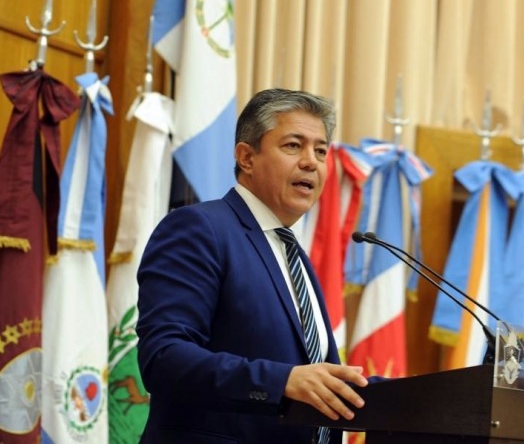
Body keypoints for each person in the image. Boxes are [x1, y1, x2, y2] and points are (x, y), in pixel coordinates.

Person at [136, 88, 369, 443]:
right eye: (294, 145)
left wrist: (417, 397)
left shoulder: (293, 255)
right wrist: (281, 381)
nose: (311, 162)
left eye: (321, 151)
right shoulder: (201, 229)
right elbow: (164, 358)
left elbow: (321, 382)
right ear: (246, 157)